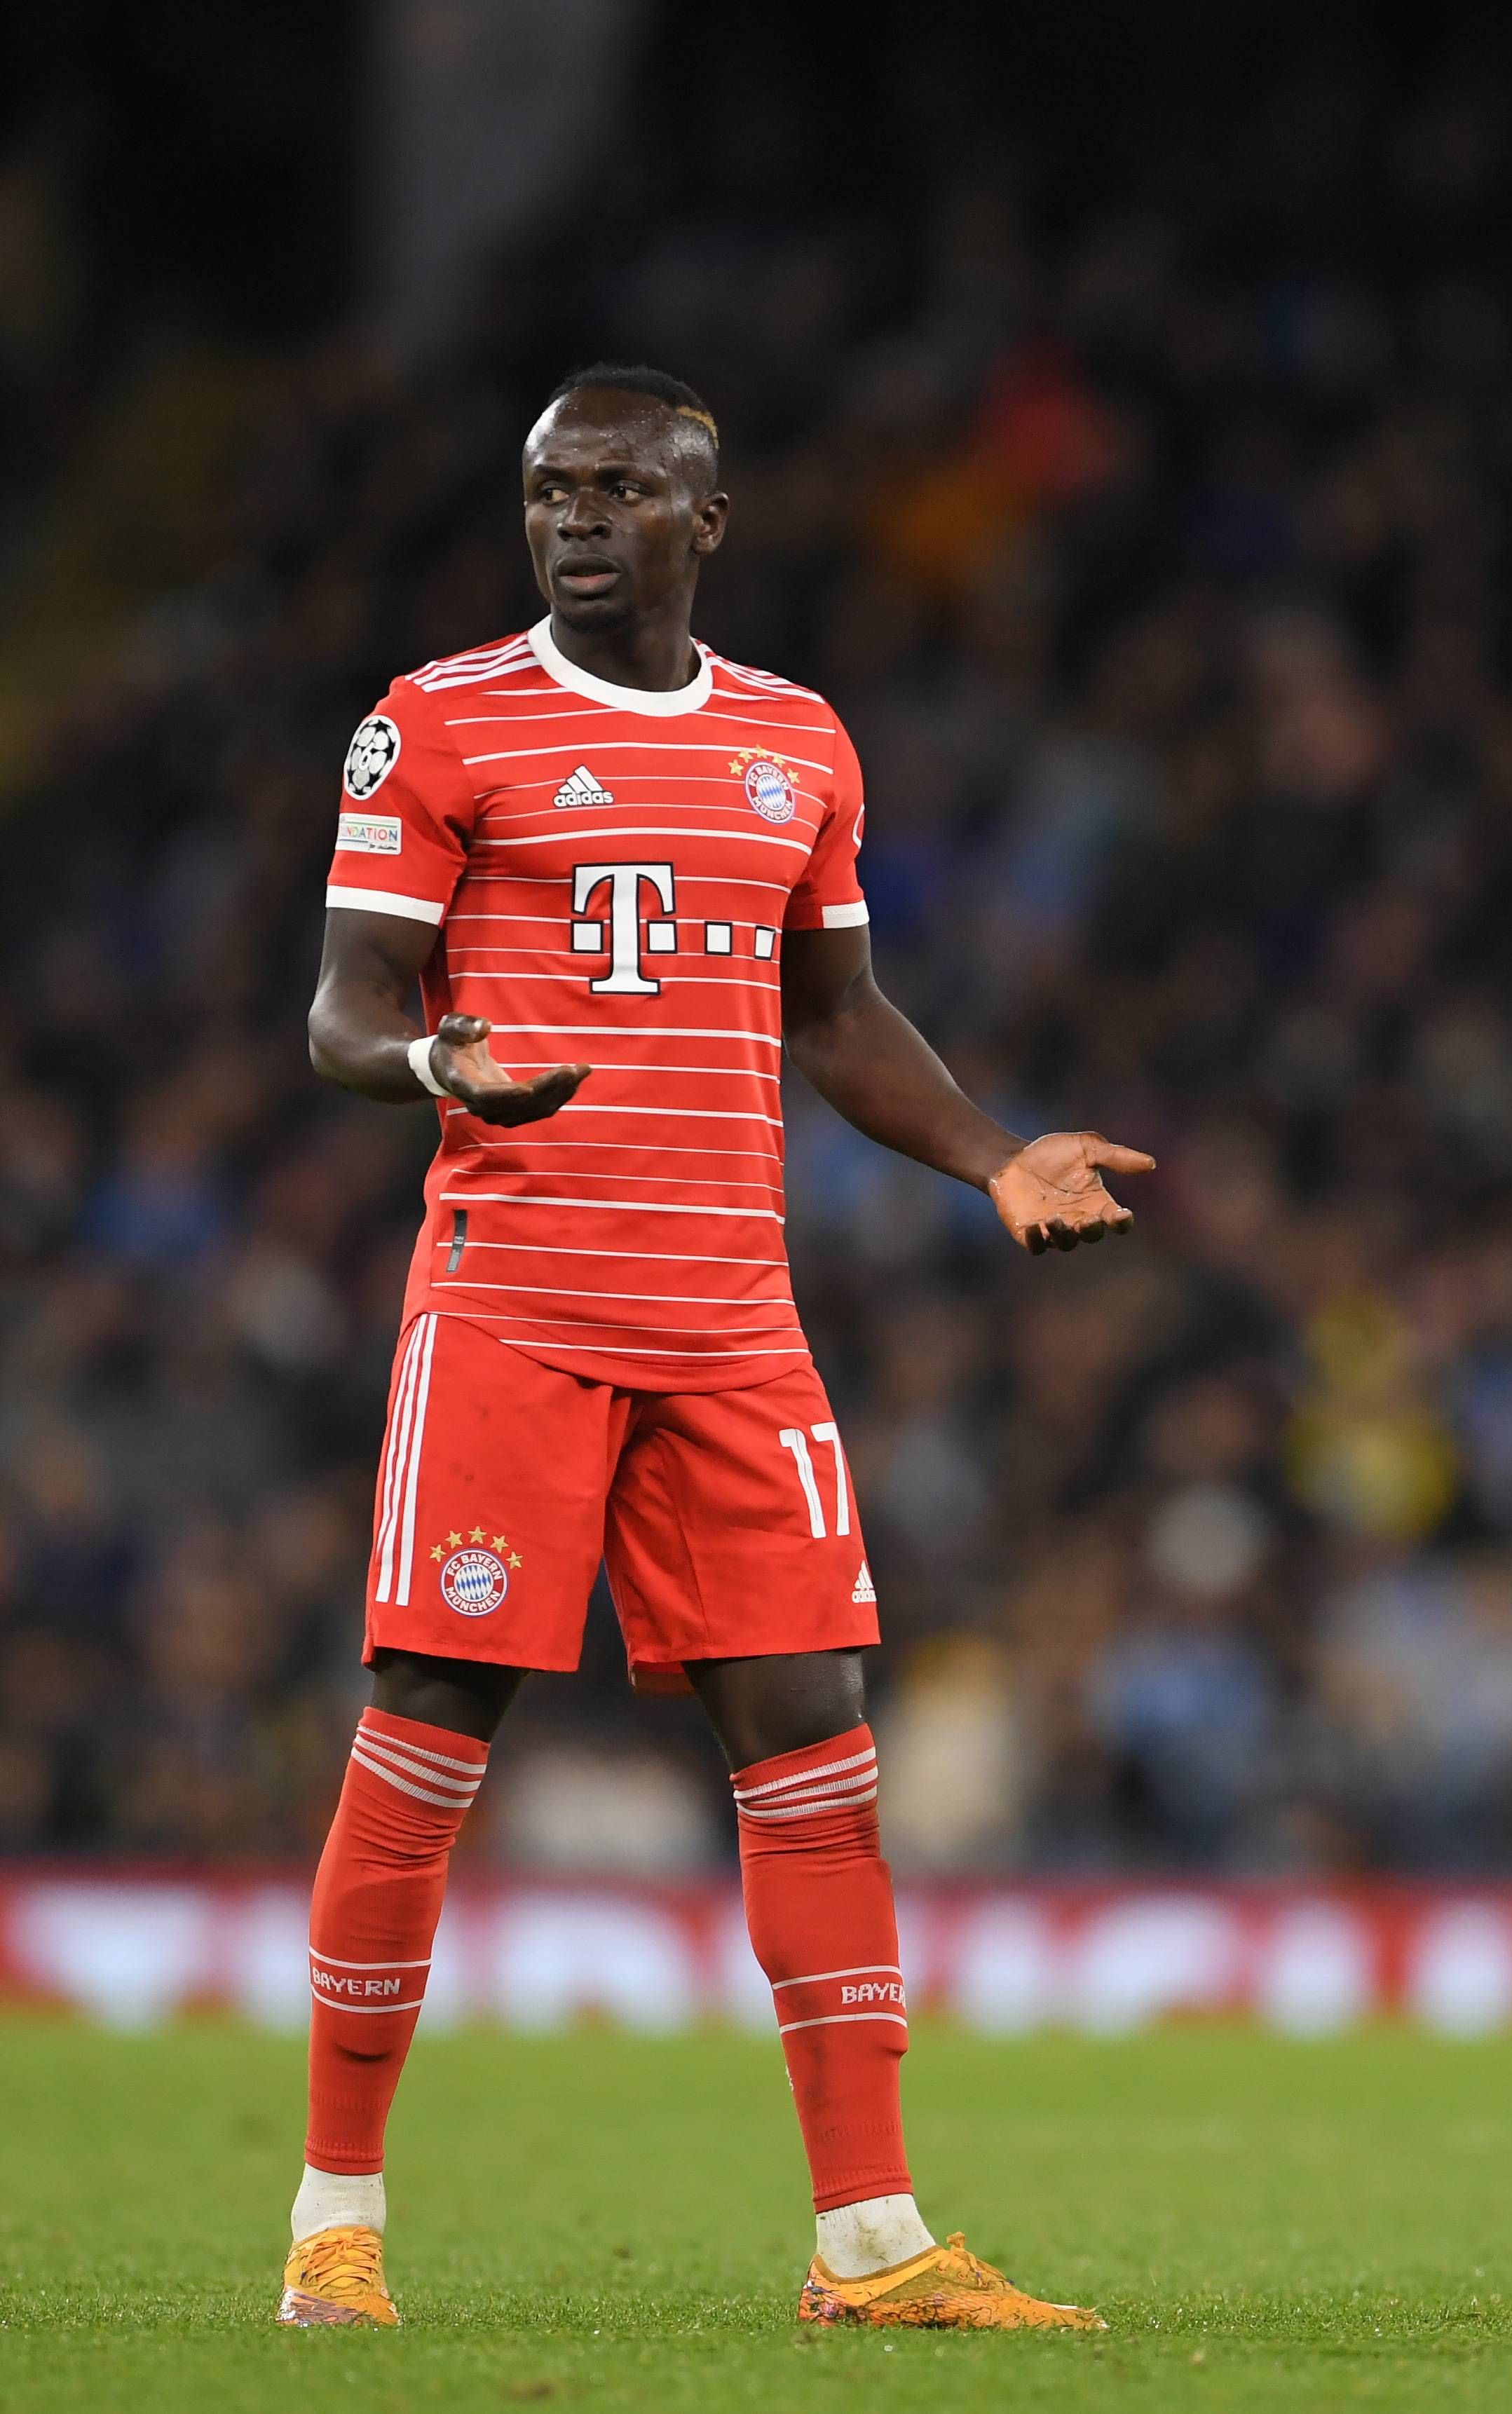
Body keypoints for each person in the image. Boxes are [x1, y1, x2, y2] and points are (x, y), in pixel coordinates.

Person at [282, 364, 1151, 2332]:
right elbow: (342, 1008)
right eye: (548, 490)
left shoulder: (797, 744)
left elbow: (838, 1015)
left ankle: (872, 2245)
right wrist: (439, 1058)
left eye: (619, 489)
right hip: (511, 1306)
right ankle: (335, 2222)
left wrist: (992, 1152)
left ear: (705, 520)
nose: (578, 518)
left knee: (820, 1749)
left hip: (733, 1324)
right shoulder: (437, 721)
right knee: (427, 1733)